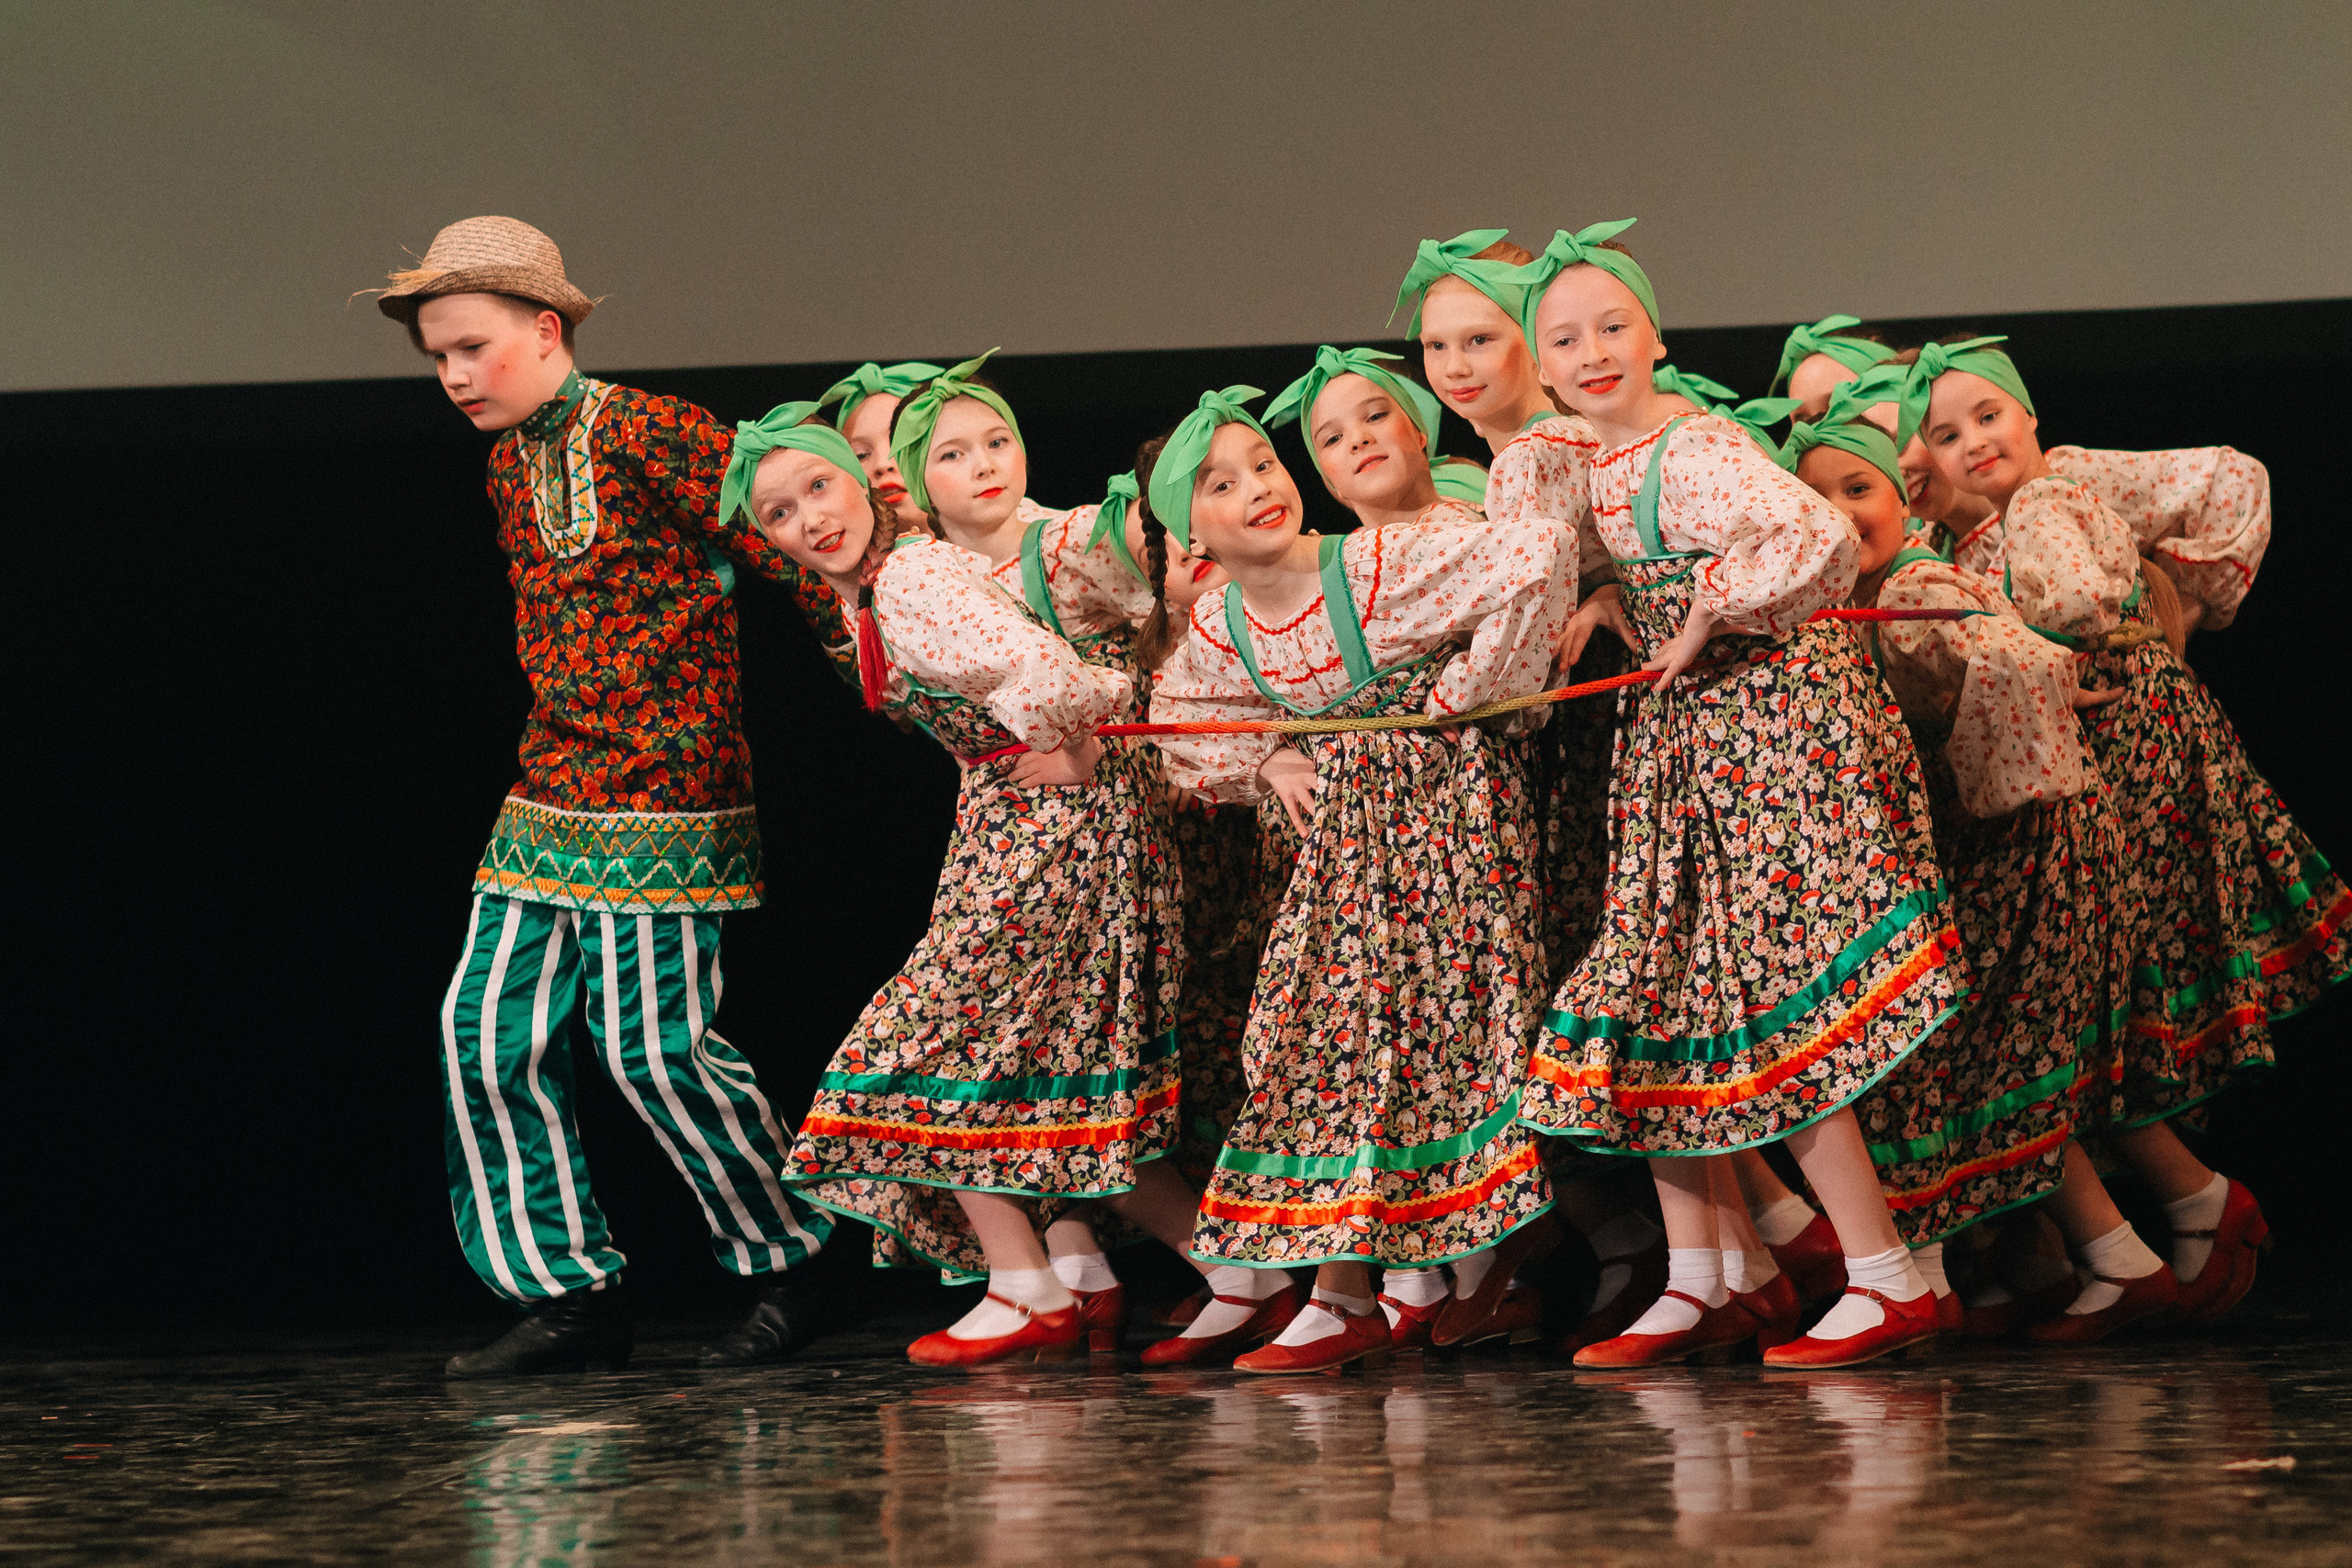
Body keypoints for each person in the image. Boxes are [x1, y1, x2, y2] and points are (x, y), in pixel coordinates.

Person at [366, 216, 831, 1378]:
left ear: (544, 326)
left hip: (668, 780)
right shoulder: (509, 461)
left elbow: (798, 538)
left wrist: (896, 649)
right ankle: (567, 1294)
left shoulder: (648, 430)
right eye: (438, 357)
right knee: (482, 1033)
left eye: (471, 346)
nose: (455, 375)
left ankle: (796, 1262)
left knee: (651, 1050)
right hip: (554, 780)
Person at [1501, 220, 1968, 1369]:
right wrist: (1616, 596)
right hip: (1693, 743)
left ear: (1654, 335)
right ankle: (1714, 1273)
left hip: (1761, 734)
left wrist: (1705, 610)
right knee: (1663, 1002)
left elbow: (1814, 535)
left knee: (1767, 1008)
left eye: (1614, 325)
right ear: (1544, 367)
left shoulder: (1691, 442)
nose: (1594, 349)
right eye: (1566, 338)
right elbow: (1621, 545)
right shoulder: (1599, 455)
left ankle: (1882, 1275)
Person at [731, 402, 1205, 1366]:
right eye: (779, 514)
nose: (809, 519)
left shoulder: (908, 576)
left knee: (930, 1054)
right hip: (1019, 830)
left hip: (1048, 836)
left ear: (863, 483)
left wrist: (1062, 740)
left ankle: (1026, 1287)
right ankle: (1243, 1273)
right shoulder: (879, 585)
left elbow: (1044, 669)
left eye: (819, 487)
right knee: (1051, 1089)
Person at [1909, 338, 2346, 1330]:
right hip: (2066, 778)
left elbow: (2228, 482)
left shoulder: (2056, 487)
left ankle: (2169, 1221)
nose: (1973, 441)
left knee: (2101, 989)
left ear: (2028, 419)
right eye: (1943, 433)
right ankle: (2175, 1215)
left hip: (2137, 755)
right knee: (2094, 1005)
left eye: (1988, 416)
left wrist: (2180, 598)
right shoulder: (1948, 552)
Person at [1146, 387, 1570, 1373]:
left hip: (1450, 834)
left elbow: (1536, 553)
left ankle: (1436, 1283)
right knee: (1305, 1041)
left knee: (1439, 1049)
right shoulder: (1220, 626)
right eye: (1221, 482)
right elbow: (1173, 724)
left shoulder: (1375, 562)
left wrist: (1478, 690)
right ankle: (1361, 1292)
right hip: (1346, 852)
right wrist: (1265, 760)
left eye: (1262, 464)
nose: (1257, 487)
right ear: (1188, 526)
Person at [1781, 387, 2151, 1335]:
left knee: (1960, 1061)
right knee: (1959, 1067)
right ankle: (2080, 1259)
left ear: (1905, 495)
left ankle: (1941, 1273)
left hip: (2022, 844)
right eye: (1811, 503)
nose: (1837, 516)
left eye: (1855, 489)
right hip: (1986, 848)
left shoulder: (1910, 588)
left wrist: (2024, 734)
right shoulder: (1860, 601)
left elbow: (2017, 661)